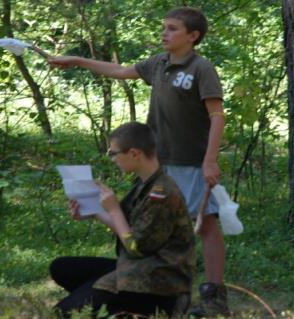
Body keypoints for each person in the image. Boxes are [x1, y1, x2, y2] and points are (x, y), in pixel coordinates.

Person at [49, 7, 228, 318]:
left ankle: (214, 295)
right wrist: (76, 61)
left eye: (172, 29)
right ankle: (143, 280)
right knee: (147, 220)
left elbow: (217, 115)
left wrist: (210, 160)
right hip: (158, 160)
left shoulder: (201, 68)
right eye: (164, 27)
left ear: (192, 36)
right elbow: (120, 71)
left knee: (206, 224)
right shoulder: (158, 64)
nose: (164, 33)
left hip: (191, 161)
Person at [50, 122, 195, 318]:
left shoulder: (161, 193)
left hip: (159, 281)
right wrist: (95, 213)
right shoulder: (145, 184)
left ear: (134, 153)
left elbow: (136, 247)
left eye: (114, 153)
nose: (113, 159)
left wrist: (114, 209)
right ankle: (109, 302)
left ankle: (158, 307)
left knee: (64, 313)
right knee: (62, 267)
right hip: (139, 268)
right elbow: (128, 228)